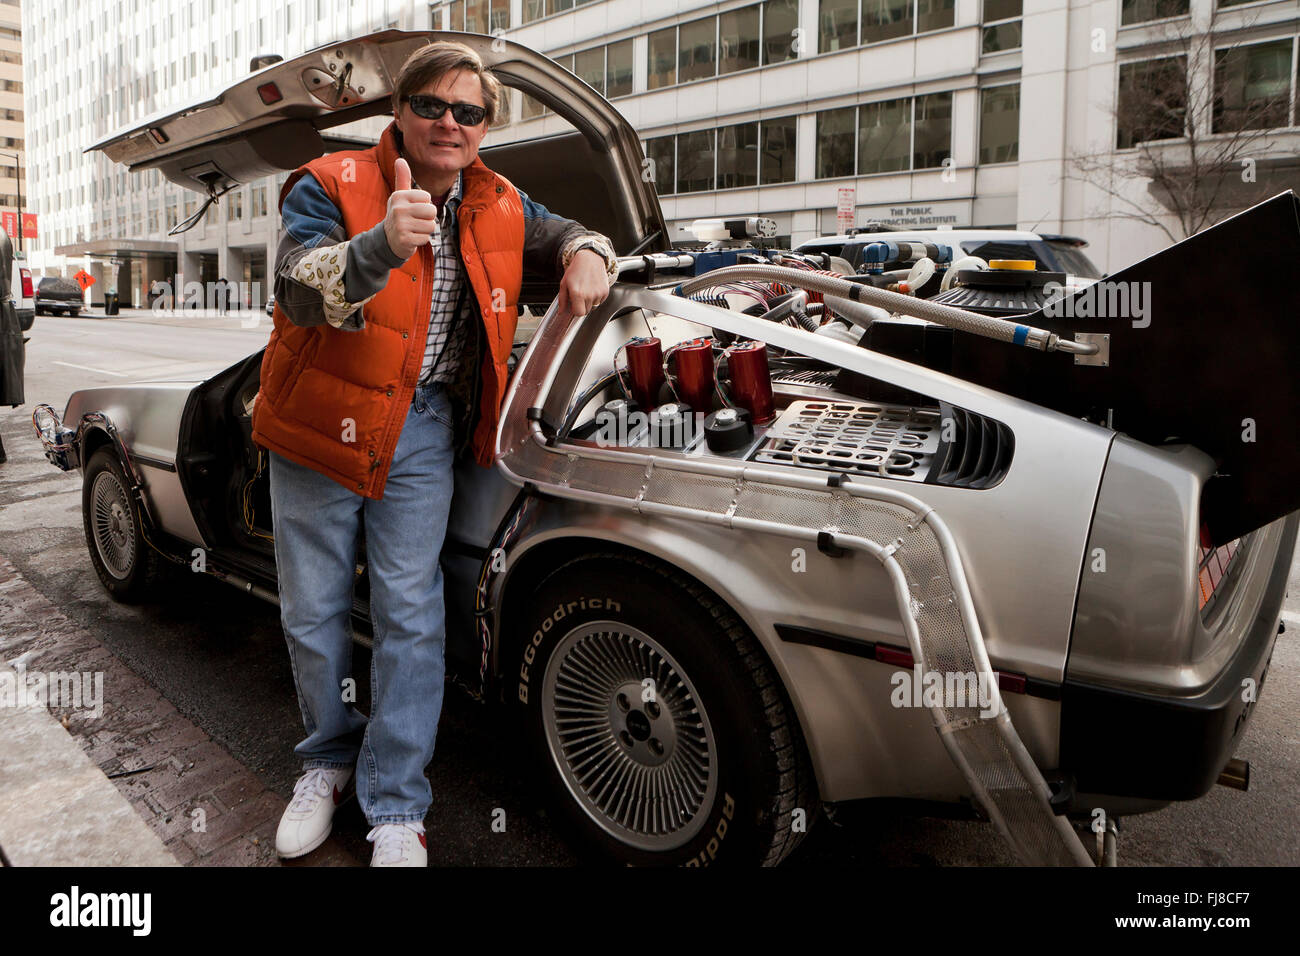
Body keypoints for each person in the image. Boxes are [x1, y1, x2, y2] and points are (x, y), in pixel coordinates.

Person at [250, 40, 616, 867]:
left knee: (412, 617)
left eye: (469, 111)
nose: (450, 124)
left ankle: (395, 805)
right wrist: (378, 245)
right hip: (319, 424)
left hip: (422, 432)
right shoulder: (328, 183)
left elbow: (569, 232)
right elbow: (298, 292)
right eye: (433, 106)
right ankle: (325, 764)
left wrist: (587, 249)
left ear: (485, 128)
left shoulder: (500, 199)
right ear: (401, 112)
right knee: (313, 613)